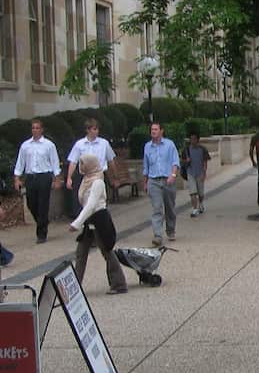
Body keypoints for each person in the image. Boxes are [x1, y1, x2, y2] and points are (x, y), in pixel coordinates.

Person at [67, 155, 128, 294]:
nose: (81, 166)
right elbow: (84, 203)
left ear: (90, 165)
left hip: (100, 219)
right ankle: (75, 287)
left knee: (107, 251)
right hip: (89, 221)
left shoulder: (98, 182)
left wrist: (76, 223)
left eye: (83, 164)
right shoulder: (86, 180)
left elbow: (92, 205)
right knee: (81, 253)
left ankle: (119, 284)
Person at [12, 117, 60, 242]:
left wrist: (56, 179)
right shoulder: (25, 146)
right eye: (33, 128)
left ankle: (41, 234)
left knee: (43, 204)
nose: (35, 130)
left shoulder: (49, 145)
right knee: (31, 203)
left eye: (37, 128)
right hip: (31, 177)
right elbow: (20, 163)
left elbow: (55, 163)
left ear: (42, 130)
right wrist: (17, 178)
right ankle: (42, 221)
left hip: (44, 176)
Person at [143, 122, 180, 245]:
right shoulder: (147, 147)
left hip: (168, 179)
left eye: (156, 129)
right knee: (157, 208)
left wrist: (173, 175)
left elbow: (175, 162)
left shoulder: (169, 145)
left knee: (169, 207)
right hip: (153, 180)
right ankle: (157, 235)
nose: (153, 131)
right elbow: (146, 166)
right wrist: (145, 182)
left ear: (161, 131)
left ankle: (171, 230)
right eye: (152, 129)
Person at [65, 116, 116, 193]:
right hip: (85, 176)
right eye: (94, 129)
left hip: (100, 175)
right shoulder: (79, 144)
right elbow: (73, 162)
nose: (96, 131)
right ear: (87, 130)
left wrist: (115, 176)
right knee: (84, 200)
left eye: (97, 129)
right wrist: (69, 178)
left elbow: (111, 160)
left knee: (100, 201)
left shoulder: (104, 143)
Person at [182, 133, 212, 217]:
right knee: (193, 192)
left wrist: (204, 173)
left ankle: (201, 203)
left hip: (200, 173)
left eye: (194, 139)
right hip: (190, 173)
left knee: (201, 193)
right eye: (191, 139)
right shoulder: (186, 150)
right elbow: (182, 161)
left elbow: (205, 162)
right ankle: (195, 209)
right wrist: (186, 161)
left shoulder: (202, 149)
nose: (193, 141)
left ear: (198, 140)